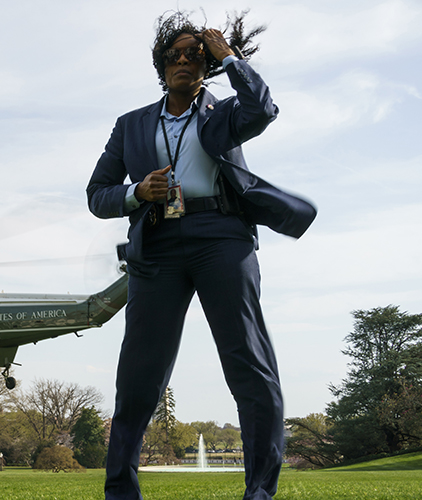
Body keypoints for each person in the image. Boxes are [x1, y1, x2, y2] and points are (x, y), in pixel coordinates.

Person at [86, 10, 317, 500]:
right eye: (176, 55)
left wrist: (230, 58)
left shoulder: (226, 112)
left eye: (196, 54)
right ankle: (120, 493)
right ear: (161, 65)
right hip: (158, 245)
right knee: (138, 377)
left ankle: (259, 492)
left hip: (221, 238)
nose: (185, 62)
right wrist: (135, 193)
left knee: (248, 364)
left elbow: (263, 108)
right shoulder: (130, 126)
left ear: (206, 64)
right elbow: (97, 194)